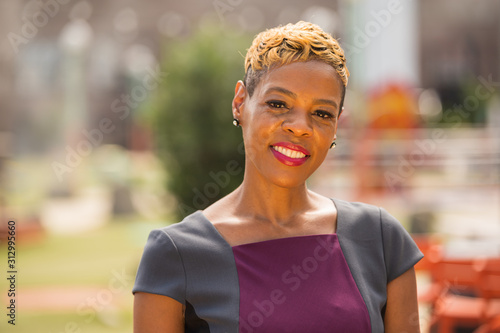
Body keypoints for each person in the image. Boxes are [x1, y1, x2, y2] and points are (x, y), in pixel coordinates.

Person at [133, 21, 423, 333]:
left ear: (337, 125)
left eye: (322, 113)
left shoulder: (380, 238)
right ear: (240, 103)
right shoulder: (177, 254)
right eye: (278, 104)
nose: (300, 126)